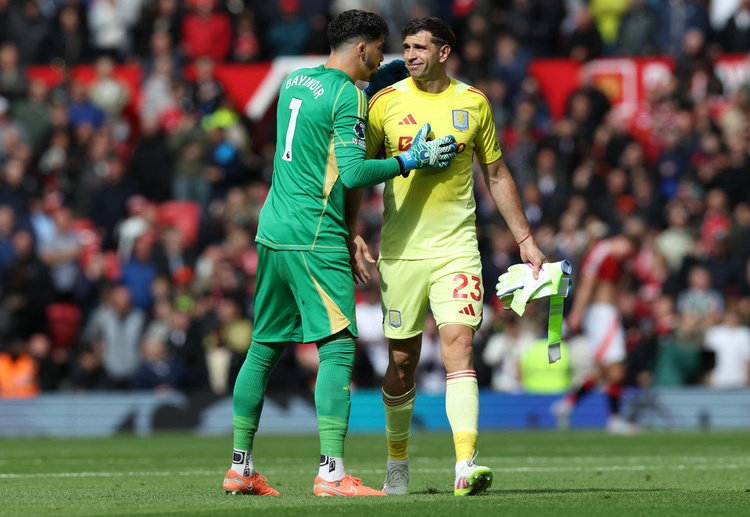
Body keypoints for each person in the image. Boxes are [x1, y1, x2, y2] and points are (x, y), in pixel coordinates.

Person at [222, 9, 457, 498]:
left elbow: (321, 149)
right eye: (380, 49)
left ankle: (240, 466)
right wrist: (410, 159)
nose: (384, 58)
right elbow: (351, 172)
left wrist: (351, 229)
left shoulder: (295, 80)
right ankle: (331, 473)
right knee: (337, 348)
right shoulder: (347, 95)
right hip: (314, 234)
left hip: (273, 230)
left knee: (263, 348)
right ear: (362, 47)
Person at [365, 17, 545, 496]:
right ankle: (397, 461)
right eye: (406, 47)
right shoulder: (385, 102)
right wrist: (352, 232)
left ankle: (465, 464)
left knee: (459, 346)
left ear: (444, 52)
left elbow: (497, 174)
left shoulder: (474, 102)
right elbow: (359, 170)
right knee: (402, 360)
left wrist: (525, 238)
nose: (410, 55)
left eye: (420, 48)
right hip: (401, 251)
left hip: (457, 249)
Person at [552, 232, 637, 434]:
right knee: (616, 370)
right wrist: (576, 314)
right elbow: (587, 284)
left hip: (606, 314)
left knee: (605, 371)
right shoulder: (601, 252)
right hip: (602, 315)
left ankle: (567, 404)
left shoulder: (615, 259)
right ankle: (614, 419)